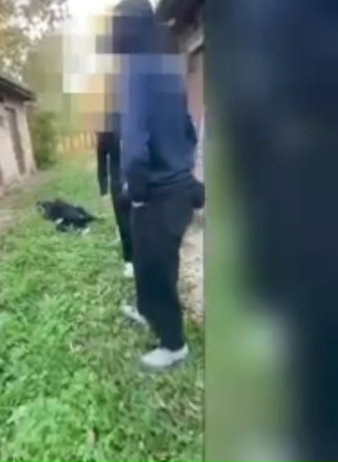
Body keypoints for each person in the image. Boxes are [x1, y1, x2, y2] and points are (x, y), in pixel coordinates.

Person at [112, 0, 201, 370]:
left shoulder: (136, 69)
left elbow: (133, 146)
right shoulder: (166, 67)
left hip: (158, 194)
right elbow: (189, 129)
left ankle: (173, 344)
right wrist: (183, 167)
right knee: (162, 264)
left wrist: (137, 191)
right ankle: (146, 310)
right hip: (181, 190)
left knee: (153, 270)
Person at [96, 130, 133, 278]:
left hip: (140, 178)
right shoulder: (107, 131)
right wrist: (103, 188)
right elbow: (102, 159)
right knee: (124, 222)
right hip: (119, 182)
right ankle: (129, 261)